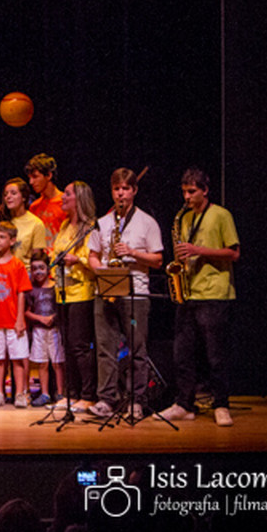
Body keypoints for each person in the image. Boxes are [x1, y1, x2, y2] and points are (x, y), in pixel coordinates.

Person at [158, 168, 240, 427]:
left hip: (215, 293)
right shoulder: (184, 218)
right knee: (183, 353)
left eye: (192, 191)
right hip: (189, 292)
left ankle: (221, 404)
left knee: (215, 355)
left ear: (205, 190)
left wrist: (197, 250)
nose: (187, 197)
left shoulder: (221, 215)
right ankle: (184, 403)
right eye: (184, 192)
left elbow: (234, 253)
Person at [87, 168, 164, 420]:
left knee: (136, 348)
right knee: (104, 347)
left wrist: (131, 252)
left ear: (134, 191)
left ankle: (135, 399)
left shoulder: (146, 222)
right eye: (116, 189)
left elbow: (158, 259)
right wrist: (101, 272)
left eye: (125, 189)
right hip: (107, 290)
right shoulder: (103, 221)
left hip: (135, 293)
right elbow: (93, 255)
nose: (120, 193)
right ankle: (106, 398)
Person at [50, 180, 98, 413]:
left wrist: (77, 260)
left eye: (67, 194)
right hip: (62, 293)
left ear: (78, 199)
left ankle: (88, 395)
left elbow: (94, 260)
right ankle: (71, 394)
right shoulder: (65, 227)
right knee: (67, 346)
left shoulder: (90, 228)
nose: (62, 198)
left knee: (80, 346)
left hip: (81, 292)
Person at [0, 222, 32, 407]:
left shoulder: (17, 265)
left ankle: (19, 394)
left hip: (12, 321)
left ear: (12, 240)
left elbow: (21, 292)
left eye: (2, 237)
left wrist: (19, 319)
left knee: (18, 358)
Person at [23, 250, 62, 408]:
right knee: (42, 363)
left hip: (55, 330)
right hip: (39, 330)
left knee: (58, 362)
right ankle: (44, 393)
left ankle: (60, 393)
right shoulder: (31, 290)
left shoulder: (55, 287)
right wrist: (41, 319)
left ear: (49, 269)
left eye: (41, 268)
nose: (38, 272)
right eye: (34, 269)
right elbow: (26, 311)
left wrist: (53, 318)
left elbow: (61, 308)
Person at [0, 179, 47, 266]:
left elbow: (36, 258)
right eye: (5, 194)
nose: (8, 197)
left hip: (21, 273)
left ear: (24, 197)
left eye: (13, 193)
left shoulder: (36, 224)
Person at [25, 153, 66, 245]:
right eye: (30, 178)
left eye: (35, 177)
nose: (31, 182)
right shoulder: (34, 207)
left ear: (48, 175)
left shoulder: (65, 203)